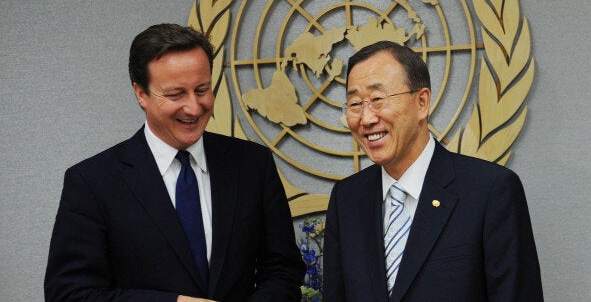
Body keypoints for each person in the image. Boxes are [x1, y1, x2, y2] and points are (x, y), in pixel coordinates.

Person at [44, 23, 305, 302]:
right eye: (175, 94)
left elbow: (283, 270)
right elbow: (70, 294)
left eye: (202, 90)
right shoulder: (92, 182)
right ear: (140, 93)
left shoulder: (253, 164)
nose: (193, 107)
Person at [323, 41, 543, 301]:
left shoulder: (490, 191)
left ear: (422, 102)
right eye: (355, 104)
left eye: (378, 99)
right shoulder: (346, 198)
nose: (367, 118)